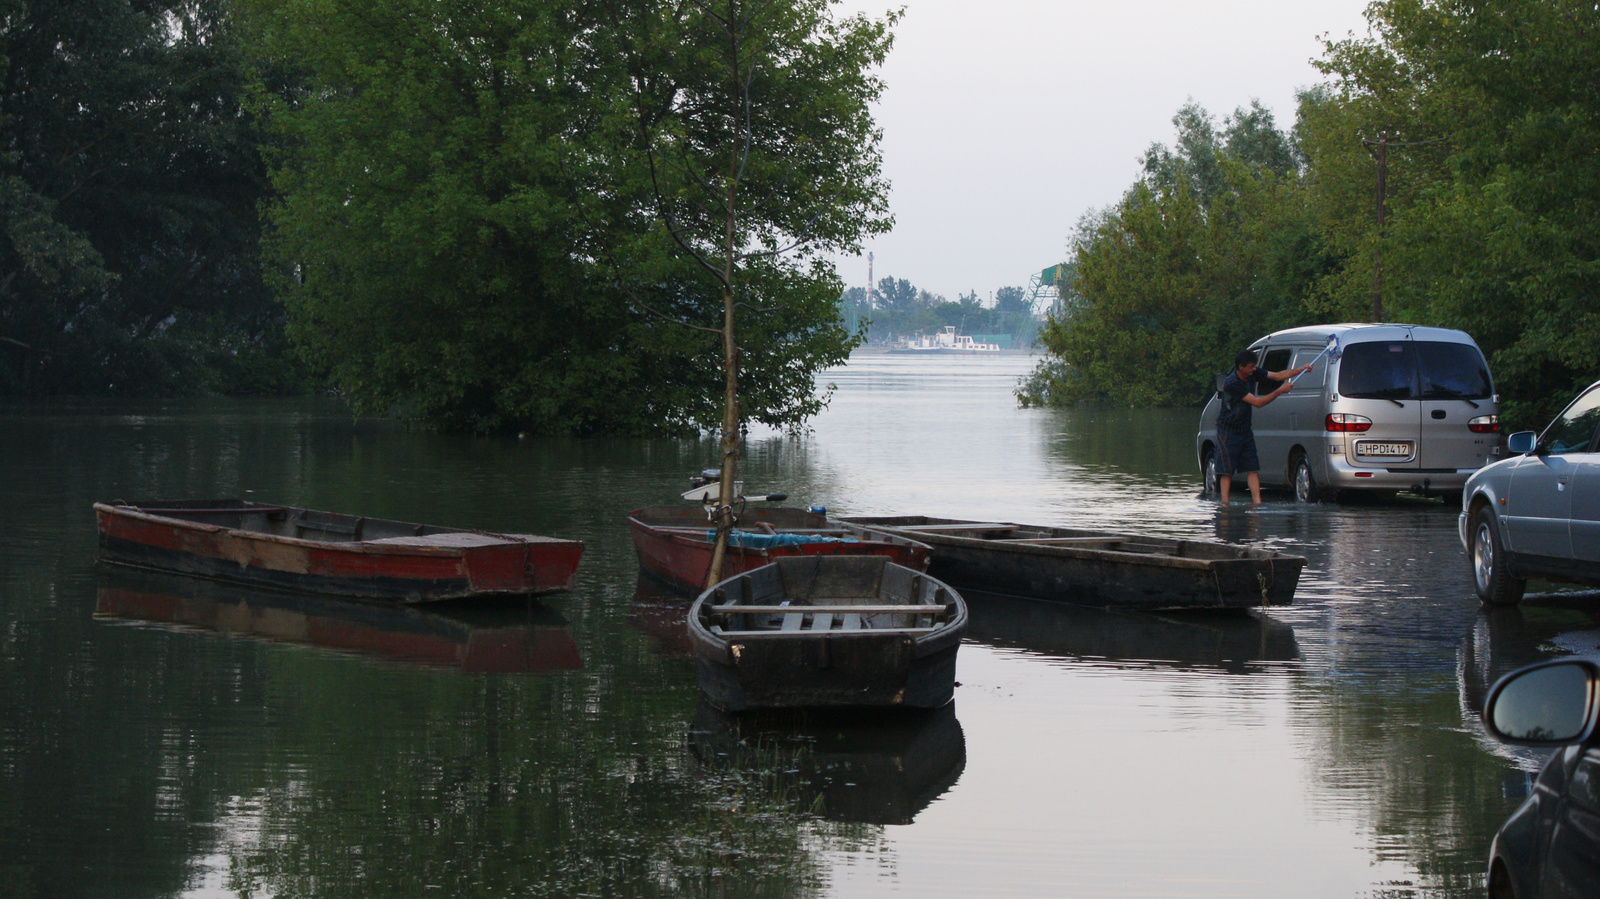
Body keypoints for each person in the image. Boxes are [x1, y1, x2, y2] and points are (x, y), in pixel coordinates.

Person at [1215, 349, 1313, 505]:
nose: (1254, 369)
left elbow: (1278, 376)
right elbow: (1257, 403)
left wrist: (1301, 369)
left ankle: (1257, 504)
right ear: (1241, 367)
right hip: (1228, 431)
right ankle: (1225, 505)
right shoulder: (1232, 383)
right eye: (1251, 366)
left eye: (1254, 366)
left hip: (1245, 430)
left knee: (1252, 469)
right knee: (1226, 471)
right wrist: (1280, 390)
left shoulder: (1252, 372)